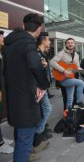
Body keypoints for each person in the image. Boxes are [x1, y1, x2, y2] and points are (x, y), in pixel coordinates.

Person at [4, 13, 50, 161]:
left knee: (20, 138)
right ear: (39, 28)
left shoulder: (10, 45)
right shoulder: (29, 44)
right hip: (26, 102)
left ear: (24, 26)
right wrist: (44, 85)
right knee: (24, 144)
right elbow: (34, 67)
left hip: (14, 98)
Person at [33, 32, 54, 151]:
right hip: (40, 88)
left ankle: (39, 134)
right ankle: (37, 134)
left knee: (44, 109)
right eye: (48, 40)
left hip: (43, 87)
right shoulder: (36, 54)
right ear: (43, 41)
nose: (50, 42)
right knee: (47, 109)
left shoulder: (42, 53)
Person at [50, 38, 84, 110]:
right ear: (66, 44)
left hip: (71, 77)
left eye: (72, 42)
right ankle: (78, 102)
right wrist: (63, 70)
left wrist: (83, 70)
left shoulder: (76, 55)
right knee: (81, 83)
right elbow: (52, 62)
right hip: (63, 78)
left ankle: (68, 114)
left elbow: (77, 67)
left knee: (70, 98)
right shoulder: (62, 53)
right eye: (68, 43)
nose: (70, 44)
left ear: (74, 44)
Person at [0, 30, 14, 154]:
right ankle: (0, 144)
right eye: (1, 36)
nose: (2, 38)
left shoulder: (2, 52)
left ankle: (1, 139)